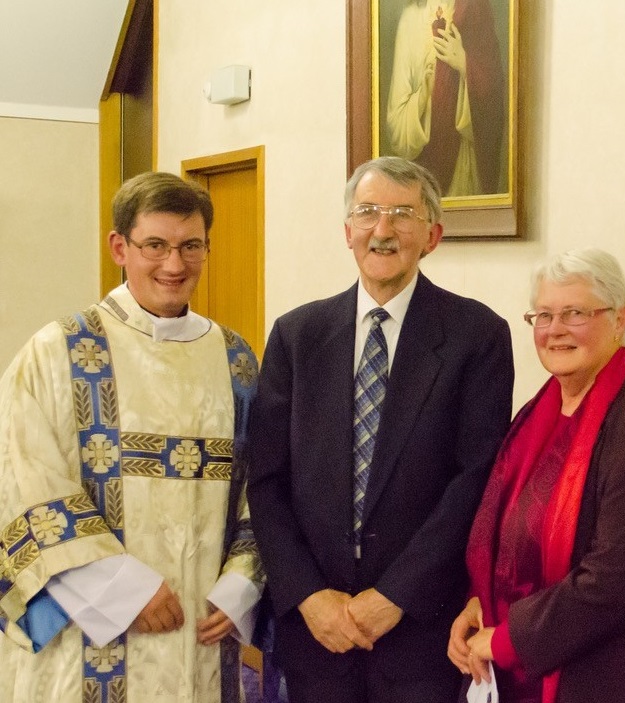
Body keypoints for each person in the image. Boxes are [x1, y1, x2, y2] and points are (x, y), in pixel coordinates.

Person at [247, 155, 514, 703]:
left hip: (420, 630)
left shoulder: (477, 336)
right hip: (316, 630)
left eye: (402, 214)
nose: (383, 229)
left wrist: (395, 595)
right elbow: (267, 481)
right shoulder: (296, 336)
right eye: (367, 212)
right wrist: (308, 596)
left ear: (432, 235)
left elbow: (475, 481)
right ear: (348, 232)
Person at [0, 172, 263, 703]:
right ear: (120, 246)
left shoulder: (235, 360)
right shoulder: (59, 352)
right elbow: (24, 482)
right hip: (91, 631)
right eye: (155, 246)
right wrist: (125, 591)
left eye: (191, 246)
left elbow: (264, 484)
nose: (174, 265)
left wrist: (239, 588)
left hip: (201, 630)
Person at [448, 248, 625, 703]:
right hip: (518, 668)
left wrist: (506, 639)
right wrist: (478, 601)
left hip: (601, 678)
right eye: (543, 315)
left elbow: (616, 584)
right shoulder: (535, 415)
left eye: (575, 313)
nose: (555, 330)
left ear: (620, 319)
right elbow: (506, 533)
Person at [386, 0, 505, 196]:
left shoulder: (476, 11)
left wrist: (464, 63)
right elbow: (397, 123)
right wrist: (424, 94)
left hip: (464, 165)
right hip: (423, 172)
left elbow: (495, 103)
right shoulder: (410, 20)